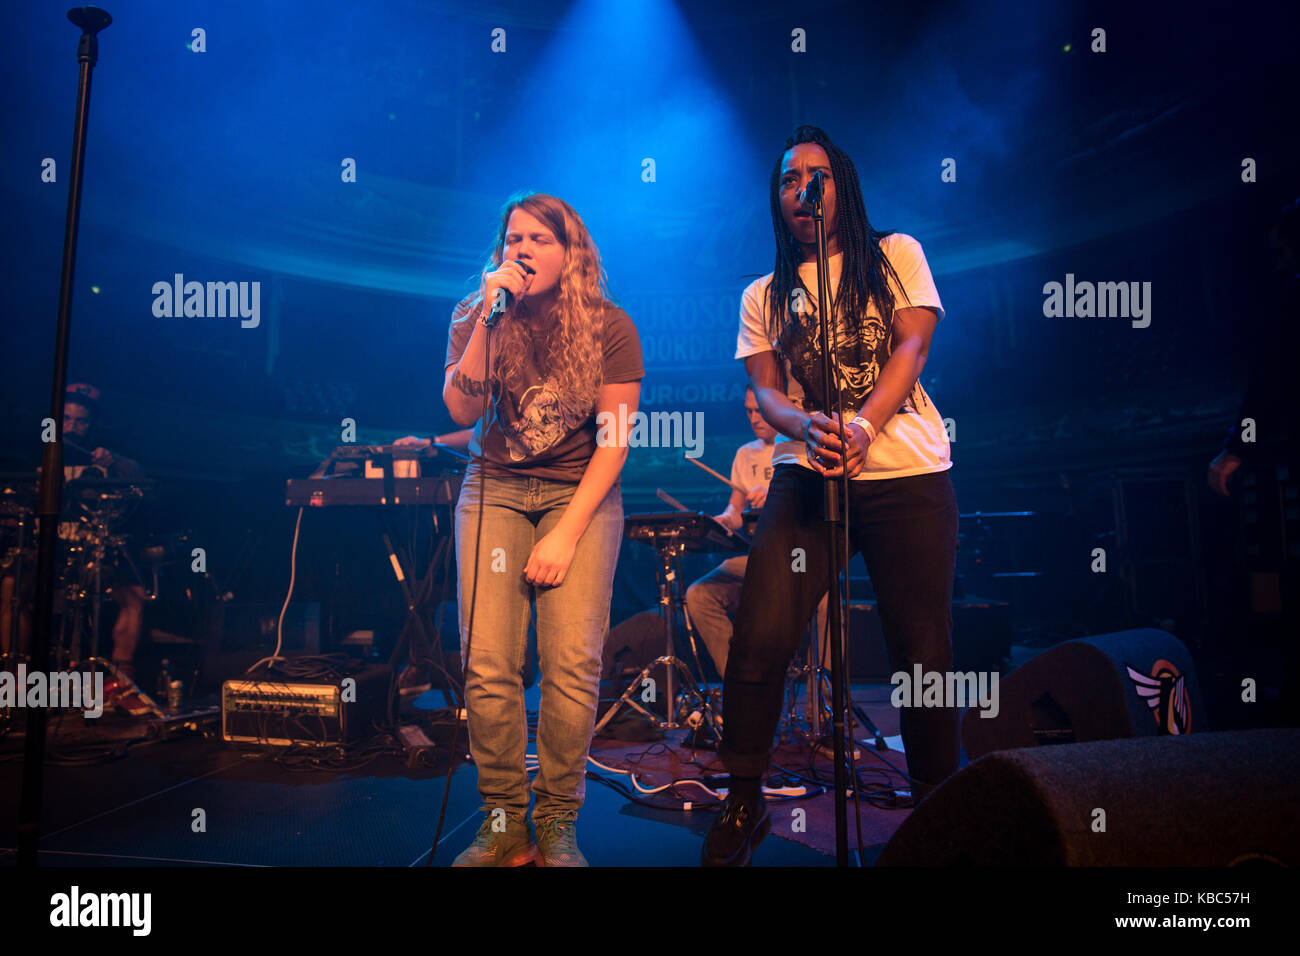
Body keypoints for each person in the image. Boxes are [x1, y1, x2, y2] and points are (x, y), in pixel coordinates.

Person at [703, 126, 959, 866]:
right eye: (788, 179)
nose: (801, 187)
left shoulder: (896, 254)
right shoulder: (764, 293)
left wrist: (865, 424)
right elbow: (767, 392)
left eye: (816, 174)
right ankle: (744, 798)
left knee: (923, 649)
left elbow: (911, 344)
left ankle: (938, 804)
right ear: (778, 199)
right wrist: (806, 425)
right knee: (761, 632)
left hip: (907, 472)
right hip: (807, 474)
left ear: (841, 184)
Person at [442, 192, 643, 866]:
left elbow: (613, 443)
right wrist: (484, 318)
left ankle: (558, 819)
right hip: (493, 486)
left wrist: (565, 534)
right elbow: (460, 403)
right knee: (487, 661)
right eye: (512, 237)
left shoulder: (611, 326)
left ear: (570, 252)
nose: (521, 249)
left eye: (538, 239)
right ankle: (503, 822)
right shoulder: (479, 313)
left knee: (571, 666)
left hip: (579, 494)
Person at [684, 385, 776, 678]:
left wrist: (774, 494)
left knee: (826, 596)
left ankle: (822, 700)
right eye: (749, 411)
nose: (754, 418)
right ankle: (740, 688)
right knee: (698, 595)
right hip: (756, 559)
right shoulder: (745, 455)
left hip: (798, 558)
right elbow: (735, 509)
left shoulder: (798, 447)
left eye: (759, 410)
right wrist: (724, 519)